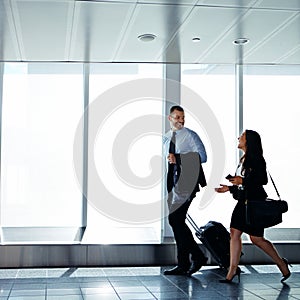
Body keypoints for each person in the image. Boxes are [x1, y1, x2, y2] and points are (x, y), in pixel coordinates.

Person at [215, 130, 291, 283]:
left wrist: (242, 181)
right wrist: (230, 188)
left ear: (248, 141)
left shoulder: (257, 159)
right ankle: (232, 270)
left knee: (256, 239)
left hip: (254, 204)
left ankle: (281, 263)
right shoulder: (244, 159)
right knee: (234, 233)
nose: (238, 138)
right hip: (244, 202)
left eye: (241, 136)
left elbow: (261, 180)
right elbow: (245, 185)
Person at [163, 105, 208, 276]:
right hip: (173, 184)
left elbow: (203, 157)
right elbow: (169, 163)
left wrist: (180, 158)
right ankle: (193, 257)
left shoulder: (190, 135)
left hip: (187, 183)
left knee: (175, 219)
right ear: (170, 118)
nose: (181, 120)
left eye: (183, 117)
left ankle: (189, 260)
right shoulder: (166, 138)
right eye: (177, 117)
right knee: (176, 222)